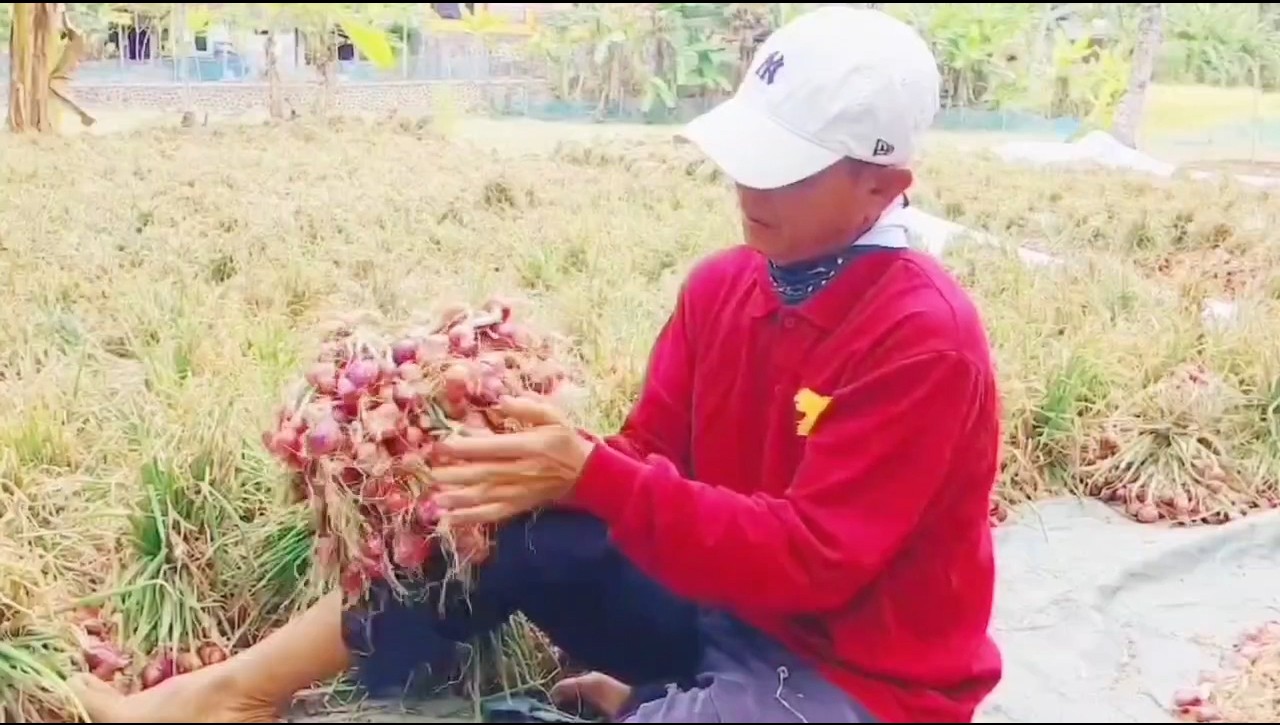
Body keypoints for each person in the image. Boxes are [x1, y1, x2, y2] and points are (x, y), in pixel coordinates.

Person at [70, 7, 1002, 723]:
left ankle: (647, 699)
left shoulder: (921, 336)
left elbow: (814, 562)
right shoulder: (725, 287)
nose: (750, 189)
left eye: (787, 171)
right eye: (744, 158)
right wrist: (519, 460)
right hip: (730, 614)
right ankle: (230, 692)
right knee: (506, 528)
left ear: (884, 183)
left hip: (860, 677)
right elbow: (650, 458)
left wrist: (595, 475)